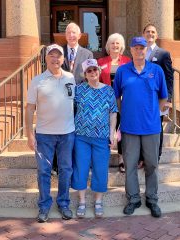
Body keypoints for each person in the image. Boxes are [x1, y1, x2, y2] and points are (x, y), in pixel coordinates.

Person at [114, 37, 168, 218]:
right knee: (130, 165)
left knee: (152, 164)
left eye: (142, 48)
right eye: (136, 48)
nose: (139, 51)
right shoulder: (122, 71)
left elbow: (163, 97)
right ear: (130, 50)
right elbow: (117, 98)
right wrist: (126, 114)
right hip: (129, 128)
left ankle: (152, 199)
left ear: (146, 50)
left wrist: (153, 113)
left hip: (152, 128)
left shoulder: (157, 70)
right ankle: (133, 199)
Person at [25, 44, 75, 223]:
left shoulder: (70, 78)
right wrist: (30, 134)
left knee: (66, 170)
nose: (55, 59)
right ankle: (44, 206)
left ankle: (63, 204)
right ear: (46, 59)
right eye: (51, 55)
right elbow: (30, 109)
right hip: (44, 134)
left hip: (67, 133)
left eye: (58, 56)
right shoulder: (37, 81)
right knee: (44, 171)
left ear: (63, 59)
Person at [71, 59, 117, 218]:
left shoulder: (108, 90)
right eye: (89, 71)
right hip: (81, 137)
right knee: (81, 168)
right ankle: (82, 201)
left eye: (95, 70)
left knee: (100, 169)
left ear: (99, 71)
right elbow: (71, 109)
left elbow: (113, 112)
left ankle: (98, 201)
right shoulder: (79, 90)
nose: (93, 73)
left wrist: (112, 133)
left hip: (101, 138)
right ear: (85, 74)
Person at [52, 22, 93, 174]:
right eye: (68, 32)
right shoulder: (58, 52)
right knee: (60, 132)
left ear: (80, 36)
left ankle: (78, 163)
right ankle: (57, 164)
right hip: (61, 100)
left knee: (78, 133)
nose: (71, 35)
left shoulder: (87, 54)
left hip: (80, 99)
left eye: (74, 32)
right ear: (65, 35)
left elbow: (89, 77)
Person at [138, 23, 174, 167]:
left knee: (156, 127)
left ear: (156, 35)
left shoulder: (163, 54)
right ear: (143, 34)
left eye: (153, 32)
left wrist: (168, 98)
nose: (150, 34)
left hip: (158, 99)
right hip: (140, 99)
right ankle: (142, 157)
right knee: (141, 127)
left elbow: (169, 77)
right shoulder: (138, 52)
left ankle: (155, 157)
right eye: (147, 32)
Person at [98, 33, 131, 173]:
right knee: (106, 129)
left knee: (121, 129)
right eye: (112, 43)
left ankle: (121, 159)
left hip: (123, 101)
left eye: (117, 43)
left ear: (121, 46)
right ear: (108, 46)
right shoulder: (100, 62)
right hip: (105, 101)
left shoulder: (128, 61)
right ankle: (103, 158)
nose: (115, 46)